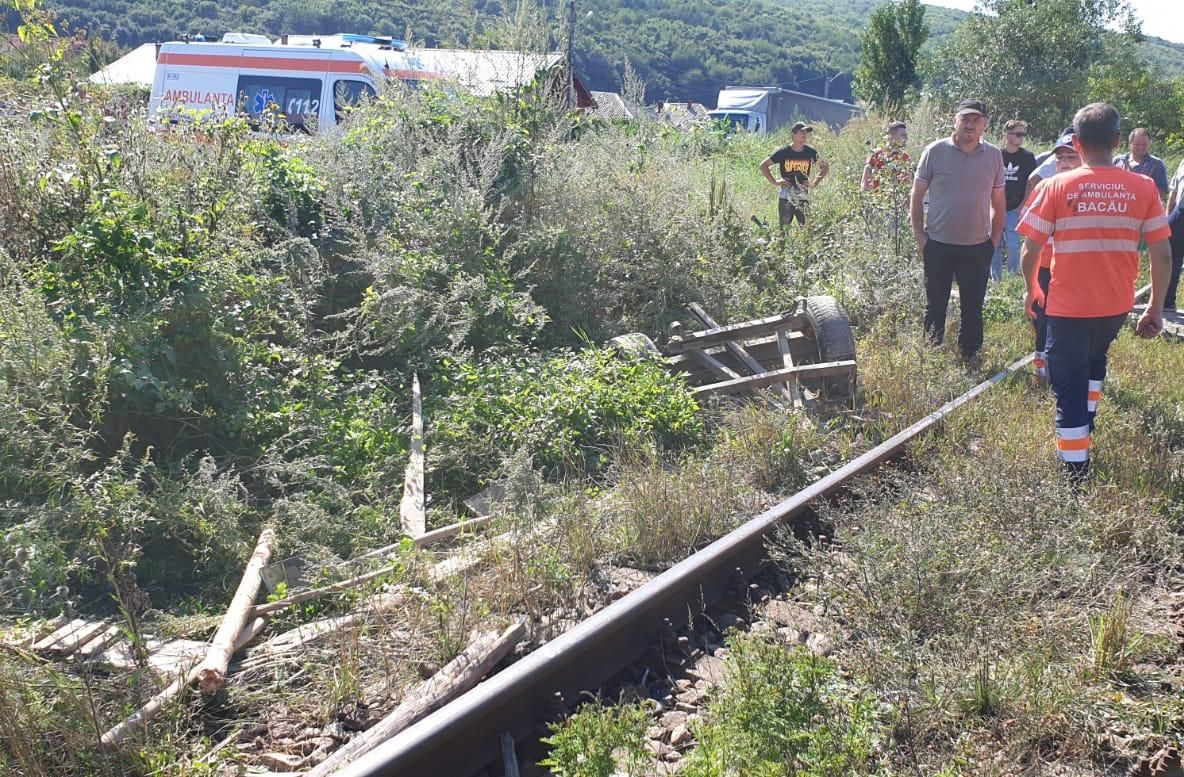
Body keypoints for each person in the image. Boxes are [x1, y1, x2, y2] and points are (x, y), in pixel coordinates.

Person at [1017, 103, 1172, 480]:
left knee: (1068, 387)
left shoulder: (1055, 186)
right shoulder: (1144, 187)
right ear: (1117, 141)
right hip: (1115, 306)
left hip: (1068, 307)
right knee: (1094, 360)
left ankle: (1075, 474)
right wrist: (1155, 307)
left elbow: (1030, 249)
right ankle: (1086, 425)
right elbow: (1163, 254)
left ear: (1077, 143)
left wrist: (1032, 287)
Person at [910, 98, 1005, 360]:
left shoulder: (994, 155)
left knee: (972, 307)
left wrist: (993, 241)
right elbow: (916, 195)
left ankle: (970, 355)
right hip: (938, 244)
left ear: (985, 125)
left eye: (976, 120)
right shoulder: (935, 151)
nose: (970, 125)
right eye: (965, 119)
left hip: (977, 246)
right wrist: (920, 237)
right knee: (935, 305)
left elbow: (998, 202)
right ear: (955, 121)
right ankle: (931, 356)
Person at [1025, 132, 1081, 380]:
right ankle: (1042, 363)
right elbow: (1029, 236)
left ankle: (1072, 365)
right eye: (1060, 158)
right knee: (1041, 316)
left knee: (1072, 319)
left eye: (1071, 157)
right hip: (1045, 264)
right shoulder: (1043, 188)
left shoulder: (1091, 192)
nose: (1065, 163)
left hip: (1076, 268)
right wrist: (1030, 282)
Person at [760, 122, 829, 229]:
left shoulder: (810, 152)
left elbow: (825, 167)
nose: (804, 135)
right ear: (793, 134)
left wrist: (814, 183)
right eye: (801, 132)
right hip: (786, 196)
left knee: (806, 228)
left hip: (803, 195)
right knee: (784, 230)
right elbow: (763, 165)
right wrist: (775, 182)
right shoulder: (783, 152)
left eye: (806, 132)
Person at [993, 120, 1037, 279]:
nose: (1021, 137)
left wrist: (1022, 206)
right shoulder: (997, 155)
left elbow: (1031, 184)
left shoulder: (1027, 157)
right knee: (995, 246)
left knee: (1013, 246)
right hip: (996, 208)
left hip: (1015, 208)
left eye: (1023, 134)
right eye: (1018, 134)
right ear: (1006, 134)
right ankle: (996, 280)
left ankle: (1012, 279)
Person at [1114, 128, 1169, 198]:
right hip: (1117, 203)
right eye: (1137, 144)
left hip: (1144, 204)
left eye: (1144, 144)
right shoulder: (1117, 161)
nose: (1141, 147)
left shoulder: (1157, 164)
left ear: (1149, 144)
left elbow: (1162, 191)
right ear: (1130, 144)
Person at [861, 121, 910, 193]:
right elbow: (864, 182)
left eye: (906, 135)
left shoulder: (905, 157)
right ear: (891, 136)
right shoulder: (876, 154)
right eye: (903, 135)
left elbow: (908, 183)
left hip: (896, 198)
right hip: (877, 197)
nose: (906, 138)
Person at [1164, 158, 1184, 309]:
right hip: (1179, 212)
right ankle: (1167, 301)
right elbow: (1174, 192)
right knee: (1170, 258)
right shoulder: (1183, 162)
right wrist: (1167, 217)